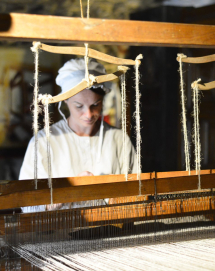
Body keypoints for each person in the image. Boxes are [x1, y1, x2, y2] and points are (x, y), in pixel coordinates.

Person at [19, 57, 137, 211]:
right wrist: (65, 193)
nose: (88, 114)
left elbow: (136, 191)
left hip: (110, 230)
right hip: (59, 232)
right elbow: (26, 203)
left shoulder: (118, 139)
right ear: (66, 100)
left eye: (95, 105)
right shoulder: (43, 142)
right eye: (79, 106)